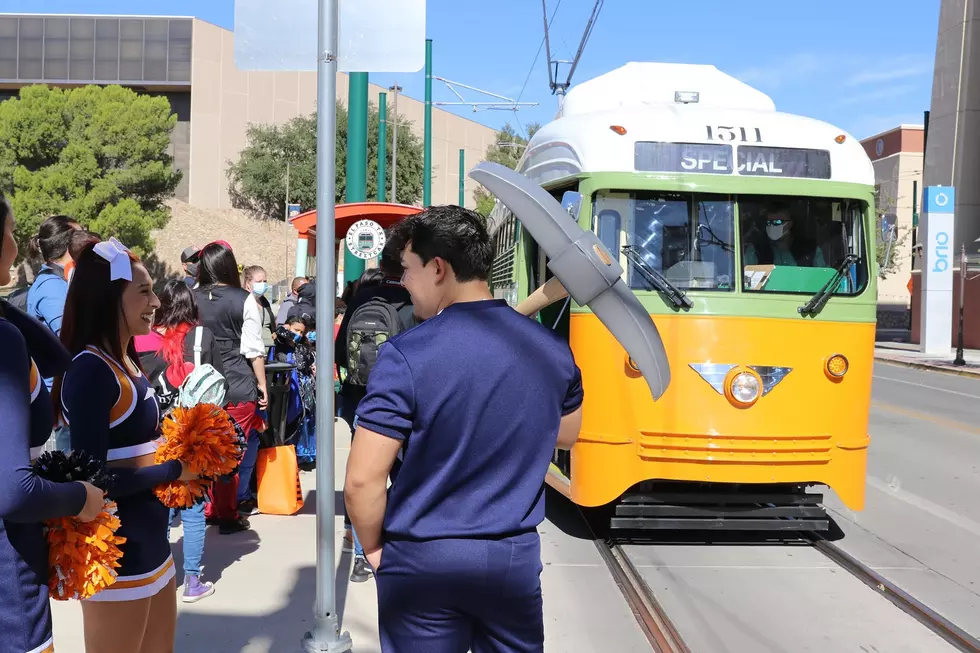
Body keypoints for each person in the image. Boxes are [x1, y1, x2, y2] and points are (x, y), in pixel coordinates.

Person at [344, 205, 584, 653]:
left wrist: (374, 550)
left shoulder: (405, 355)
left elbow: (362, 479)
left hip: (422, 557)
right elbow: (566, 435)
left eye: (409, 270)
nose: (405, 283)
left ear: (438, 269)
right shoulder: (552, 350)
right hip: (511, 557)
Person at [58, 238, 199, 652]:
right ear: (107, 298)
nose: (156, 301)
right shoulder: (90, 370)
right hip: (117, 558)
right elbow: (91, 481)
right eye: (143, 291)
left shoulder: (129, 361)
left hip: (154, 546)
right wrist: (174, 470)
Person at [0, 195, 104, 653]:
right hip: (9, 585)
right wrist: (80, 497)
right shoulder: (4, 338)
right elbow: (13, 491)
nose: (16, 245)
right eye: (10, 231)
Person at [134, 280, 226, 604]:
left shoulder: (143, 339)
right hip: (196, 433)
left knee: (162, 505)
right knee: (194, 508)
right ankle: (192, 581)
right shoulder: (203, 337)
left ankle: (160, 574)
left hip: (158, 435)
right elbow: (216, 385)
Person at [336, 249, 416, 582]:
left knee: (367, 478)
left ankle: (359, 558)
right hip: (407, 405)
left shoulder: (364, 298)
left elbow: (341, 352)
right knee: (406, 479)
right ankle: (402, 547)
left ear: (381, 267)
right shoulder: (417, 299)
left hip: (364, 403)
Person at [194, 242, 268, 532]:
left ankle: (208, 508)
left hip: (200, 386)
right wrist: (262, 386)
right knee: (230, 453)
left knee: (204, 450)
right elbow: (253, 350)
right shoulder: (244, 299)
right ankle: (227, 513)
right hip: (237, 384)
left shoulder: (191, 296)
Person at [27, 215, 81, 452]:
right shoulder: (51, 287)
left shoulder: (59, 283)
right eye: (81, 236)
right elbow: (71, 338)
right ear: (69, 245)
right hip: (60, 410)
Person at [742, 205, 826, 268]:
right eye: (769, 222)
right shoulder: (756, 250)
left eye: (777, 222)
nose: (772, 226)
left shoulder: (810, 250)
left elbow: (824, 278)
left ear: (789, 224)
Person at [243, 265, 277, 344]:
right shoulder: (243, 301)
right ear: (248, 283)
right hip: (252, 352)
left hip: (268, 352)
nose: (263, 284)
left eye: (264, 281)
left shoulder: (264, 301)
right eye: (259, 281)